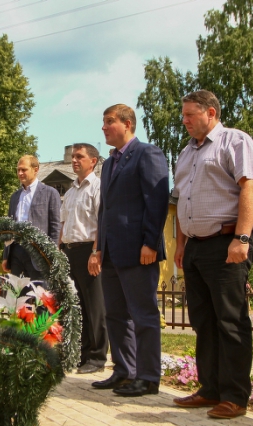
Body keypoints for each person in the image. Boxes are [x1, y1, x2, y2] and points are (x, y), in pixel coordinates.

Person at [171, 90, 253, 419]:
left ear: (210, 113)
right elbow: (181, 200)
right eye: (183, 115)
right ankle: (210, 389)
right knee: (204, 322)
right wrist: (181, 244)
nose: (185, 121)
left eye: (190, 115)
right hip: (195, 247)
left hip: (227, 243)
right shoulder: (185, 153)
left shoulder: (235, 141)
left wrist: (242, 238)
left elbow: (251, 186)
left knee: (230, 321)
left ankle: (235, 397)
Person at [89, 104, 168, 397]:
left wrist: (150, 242)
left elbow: (156, 201)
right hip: (111, 251)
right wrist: (99, 248)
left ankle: (148, 377)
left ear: (127, 124)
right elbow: (105, 210)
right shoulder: (108, 163)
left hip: (138, 250)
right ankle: (124, 371)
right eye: (103, 121)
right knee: (115, 314)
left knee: (143, 314)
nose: (104, 127)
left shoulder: (148, 154)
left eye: (109, 121)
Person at [59, 143, 109, 375]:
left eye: (79, 157)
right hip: (69, 251)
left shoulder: (98, 188)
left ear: (93, 161)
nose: (74, 160)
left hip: (89, 250)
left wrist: (96, 252)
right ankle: (82, 353)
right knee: (77, 306)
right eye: (73, 157)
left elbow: (101, 223)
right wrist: (59, 250)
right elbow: (63, 224)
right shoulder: (70, 192)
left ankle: (98, 357)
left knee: (95, 306)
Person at [2, 155, 61, 280]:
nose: (20, 173)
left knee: (38, 290)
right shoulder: (15, 196)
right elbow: (8, 228)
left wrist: (52, 255)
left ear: (36, 169)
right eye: (18, 170)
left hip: (38, 253)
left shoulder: (50, 193)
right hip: (16, 251)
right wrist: (6, 256)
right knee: (16, 291)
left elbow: (56, 226)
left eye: (24, 170)